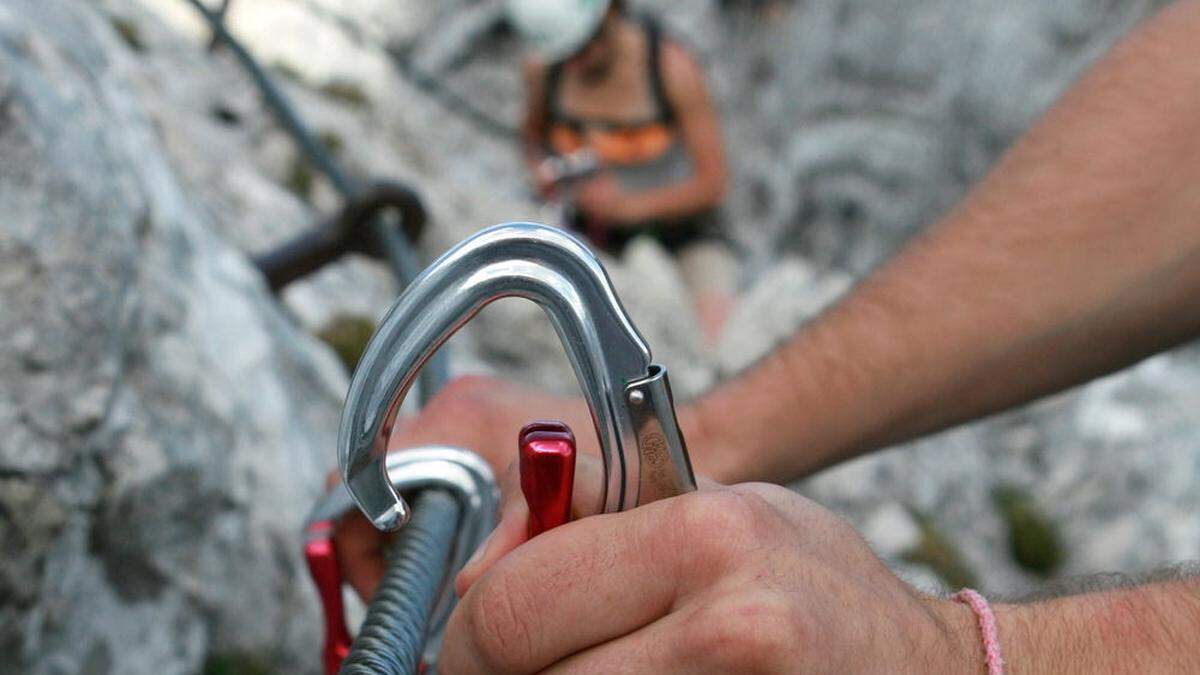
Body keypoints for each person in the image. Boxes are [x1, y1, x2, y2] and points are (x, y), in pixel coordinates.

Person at [332, 1, 1200, 671]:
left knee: (712, 303)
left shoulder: (666, 64)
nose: (585, 63)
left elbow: (709, 174)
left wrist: (959, 654)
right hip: (599, 240)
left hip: (685, 227)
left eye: (592, 46)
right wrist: (696, 438)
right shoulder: (547, 79)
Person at [509, 0, 737, 342]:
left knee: (716, 340)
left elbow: (713, 183)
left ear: (611, 13)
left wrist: (625, 208)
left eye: (584, 47)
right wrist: (546, 172)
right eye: (566, 55)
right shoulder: (545, 70)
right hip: (591, 234)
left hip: (684, 233)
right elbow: (532, 138)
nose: (577, 63)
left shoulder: (672, 69)